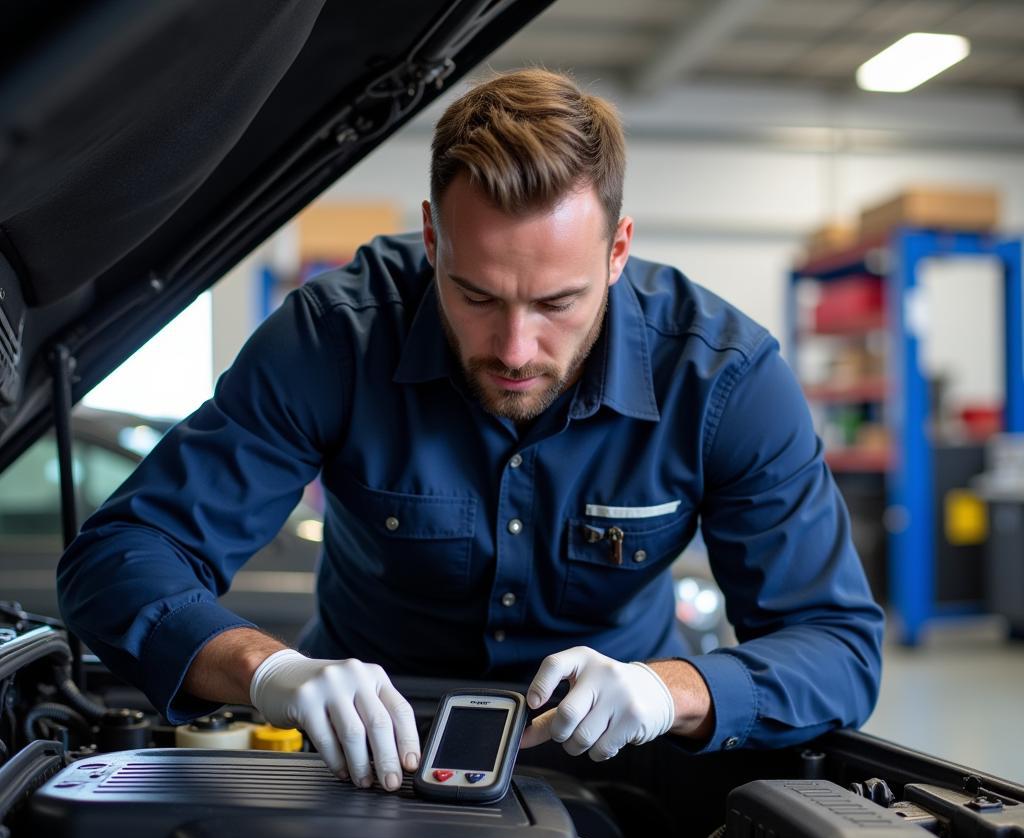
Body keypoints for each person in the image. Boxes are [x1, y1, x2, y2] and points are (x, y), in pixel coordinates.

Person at [57, 69, 883, 792]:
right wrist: (268, 670)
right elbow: (122, 557)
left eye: (558, 303)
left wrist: (670, 691)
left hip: (616, 769)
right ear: (432, 238)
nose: (516, 351)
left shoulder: (725, 378)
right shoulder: (335, 339)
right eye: (477, 296)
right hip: (363, 761)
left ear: (618, 250)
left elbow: (838, 647)